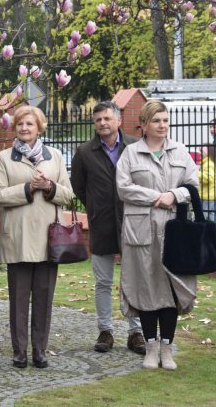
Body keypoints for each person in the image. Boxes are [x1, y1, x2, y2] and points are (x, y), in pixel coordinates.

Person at [116, 99, 198, 371]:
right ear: (144, 124)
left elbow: (193, 186)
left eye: (165, 120)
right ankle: (150, 347)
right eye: (156, 121)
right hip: (141, 233)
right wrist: (156, 197)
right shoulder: (131, 153)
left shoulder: (180, 151)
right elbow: (124, 188)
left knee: (170, 290)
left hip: (174, 231)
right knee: (146, 288)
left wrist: (174, 195)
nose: (162, 125)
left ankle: (167, 348)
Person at [0, 105, 74, 369]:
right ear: (14, 128)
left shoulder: (56, 157)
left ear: (39, 127)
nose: (25, 128)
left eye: (30, 124)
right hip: (18, 238)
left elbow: (68, 195)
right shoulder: (4, 158)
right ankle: (19, 352)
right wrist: (29, 188)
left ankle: (39, 350)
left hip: (49, 239)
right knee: (18, 301)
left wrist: (49, 186)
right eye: (20, 125)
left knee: (43, 298)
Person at [70, 101, 145, 355]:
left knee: (133, 279)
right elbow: (78, 186)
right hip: (101, 223)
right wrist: (94, 206)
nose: (102, 123)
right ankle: (105, 330)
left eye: (107, 118)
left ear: (118, 121)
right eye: (98, 119)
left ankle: (136, 332)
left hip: (133, 221)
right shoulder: (84, 152)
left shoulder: (135, 145)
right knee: (103, 281)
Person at [199, 146, 216, 230]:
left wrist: (196, 173)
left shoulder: (208, 164)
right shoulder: (215, 163)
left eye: (201, 152)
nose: (200, 154)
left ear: (207, 153)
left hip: (208, 196)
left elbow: (210, 178)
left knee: (199, 218)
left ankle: (195, 235)